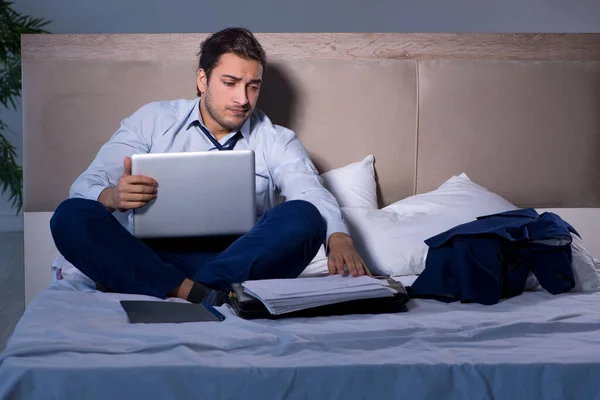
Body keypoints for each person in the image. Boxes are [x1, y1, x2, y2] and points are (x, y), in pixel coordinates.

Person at [50, 27, 371, 306]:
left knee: (304, 215)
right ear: (202, 80)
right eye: (230, 82)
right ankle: (197, 290)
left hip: (241, 260)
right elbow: (83, 188)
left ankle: (172, 287)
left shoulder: (277, 139)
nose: (243, 98)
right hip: (152, 254)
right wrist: (112, 197)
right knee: (70, 215)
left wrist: (339, 237)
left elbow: (308, 190)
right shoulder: (151, 120)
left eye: (253, 86)